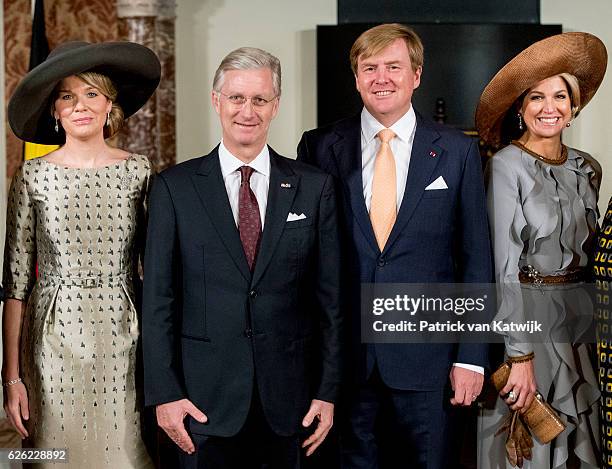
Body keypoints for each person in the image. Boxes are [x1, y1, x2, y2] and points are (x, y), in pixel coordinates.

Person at [297, 23, 492, 468]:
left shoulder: (457, 152)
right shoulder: (320, 146)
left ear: (417, 75)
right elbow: (305, 261)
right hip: (345, 365)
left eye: (393, 67)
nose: (381, 78)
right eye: (370, 68)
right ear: (357, 78)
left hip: (430, 365)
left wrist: (473, 359)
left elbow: (476, 258)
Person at [141, 46, 342, 469]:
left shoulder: (313, 187)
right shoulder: (174, 188)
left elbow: (331, 301)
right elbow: (158, 300)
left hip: (292, 403)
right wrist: (165, 393)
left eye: (259, 99)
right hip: (199, 404)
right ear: (217, 101)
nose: (247, 111)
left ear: (275, 106)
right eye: (236, 98)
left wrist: (328, 391)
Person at [2, 41, 161, 468]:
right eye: (67, 95)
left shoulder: (139, 171)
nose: (80, 105)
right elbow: (15, 285)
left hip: (126, 339)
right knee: (55, 456)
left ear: (111, 104)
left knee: (124, 456)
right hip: (51, 342)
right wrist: (11, 377)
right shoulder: (32, 175)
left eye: (92, 93)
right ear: (54, 110)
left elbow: (160, 275)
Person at [476, 32, 607, 468]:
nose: (548, 107)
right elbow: (504, 265)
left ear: (574, 108)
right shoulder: (505, 165)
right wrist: (519, 354)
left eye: (560, 97)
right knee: (532, 441)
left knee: (581, 438)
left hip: (581, 322)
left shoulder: (588, 167)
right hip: (528, 318)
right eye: (536, 97)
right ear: (520, 108)